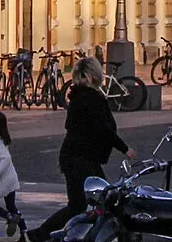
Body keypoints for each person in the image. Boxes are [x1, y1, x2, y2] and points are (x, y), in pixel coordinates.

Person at [28, 58, 128, 242]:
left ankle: (47, 234)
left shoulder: (78, 96)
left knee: (96, 200)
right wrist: (125, 148)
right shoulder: (91, 97)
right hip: (80, 158)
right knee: (85, 204)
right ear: (92, 76)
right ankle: (40, 235)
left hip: (78, 157)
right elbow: (103, 128)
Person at [0, 109, 24, 238]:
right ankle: (25, 233)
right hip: (9, 178)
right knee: (12, 206)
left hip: (1, 179)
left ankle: (10, 217)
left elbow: (6, 158)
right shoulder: (0, 138)